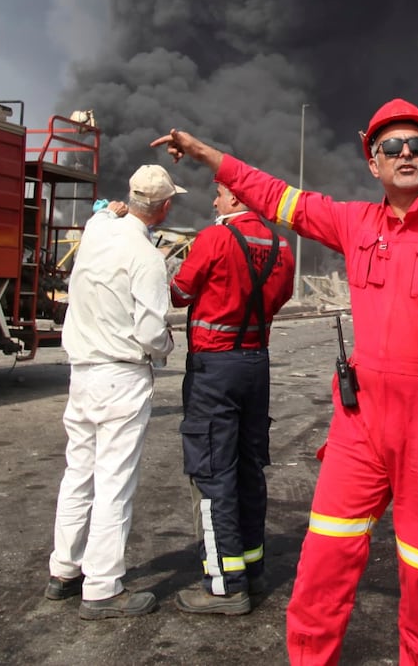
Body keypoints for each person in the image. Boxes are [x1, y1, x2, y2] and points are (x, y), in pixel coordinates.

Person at [152, 99, 418, 663]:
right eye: (391, 147)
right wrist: (205, 155)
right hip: (360, 426)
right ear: (374, 163)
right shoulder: (353, 223)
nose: (405, 154)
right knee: (323, 563)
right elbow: (272, 195)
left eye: (417, 145)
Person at [46, 164, 183, 620]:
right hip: (121, 375)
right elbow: (150, 330)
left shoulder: (97, 228)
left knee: (78, 472)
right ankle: (102, 589)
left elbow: (103, 213)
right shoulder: (146, 258)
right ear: (163, 209)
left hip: (81, 373)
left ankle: (64, 570)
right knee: (114, 482)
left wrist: (110, 211)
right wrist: (167, 345)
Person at [169, 181, 296, 615]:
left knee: (211, 474)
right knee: (248, 469)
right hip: (256, 364)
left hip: (214, 370)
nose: (215, 201)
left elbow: (179, 292)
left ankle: (224, 585)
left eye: (220, 194)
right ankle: (252, 570)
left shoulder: (216, 237)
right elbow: (280, 297)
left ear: (237, 199)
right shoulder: (282, 245)